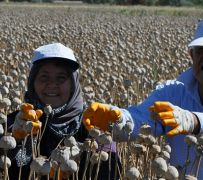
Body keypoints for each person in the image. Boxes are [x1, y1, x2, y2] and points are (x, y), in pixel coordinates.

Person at [82, 14, 203, 179]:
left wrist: (195, 121)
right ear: (192, 56)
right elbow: (143, 118)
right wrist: (118, 119)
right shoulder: (173, 91)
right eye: (202, 50)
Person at [6, 43, 119, 180]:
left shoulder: (92, 122)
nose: (52, 84)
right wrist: (15, 141)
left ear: (73, 84)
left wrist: (96, 149)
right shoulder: (14, 122)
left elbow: (111, 172)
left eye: (61, 78)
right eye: (44, 77)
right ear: (32, 83)